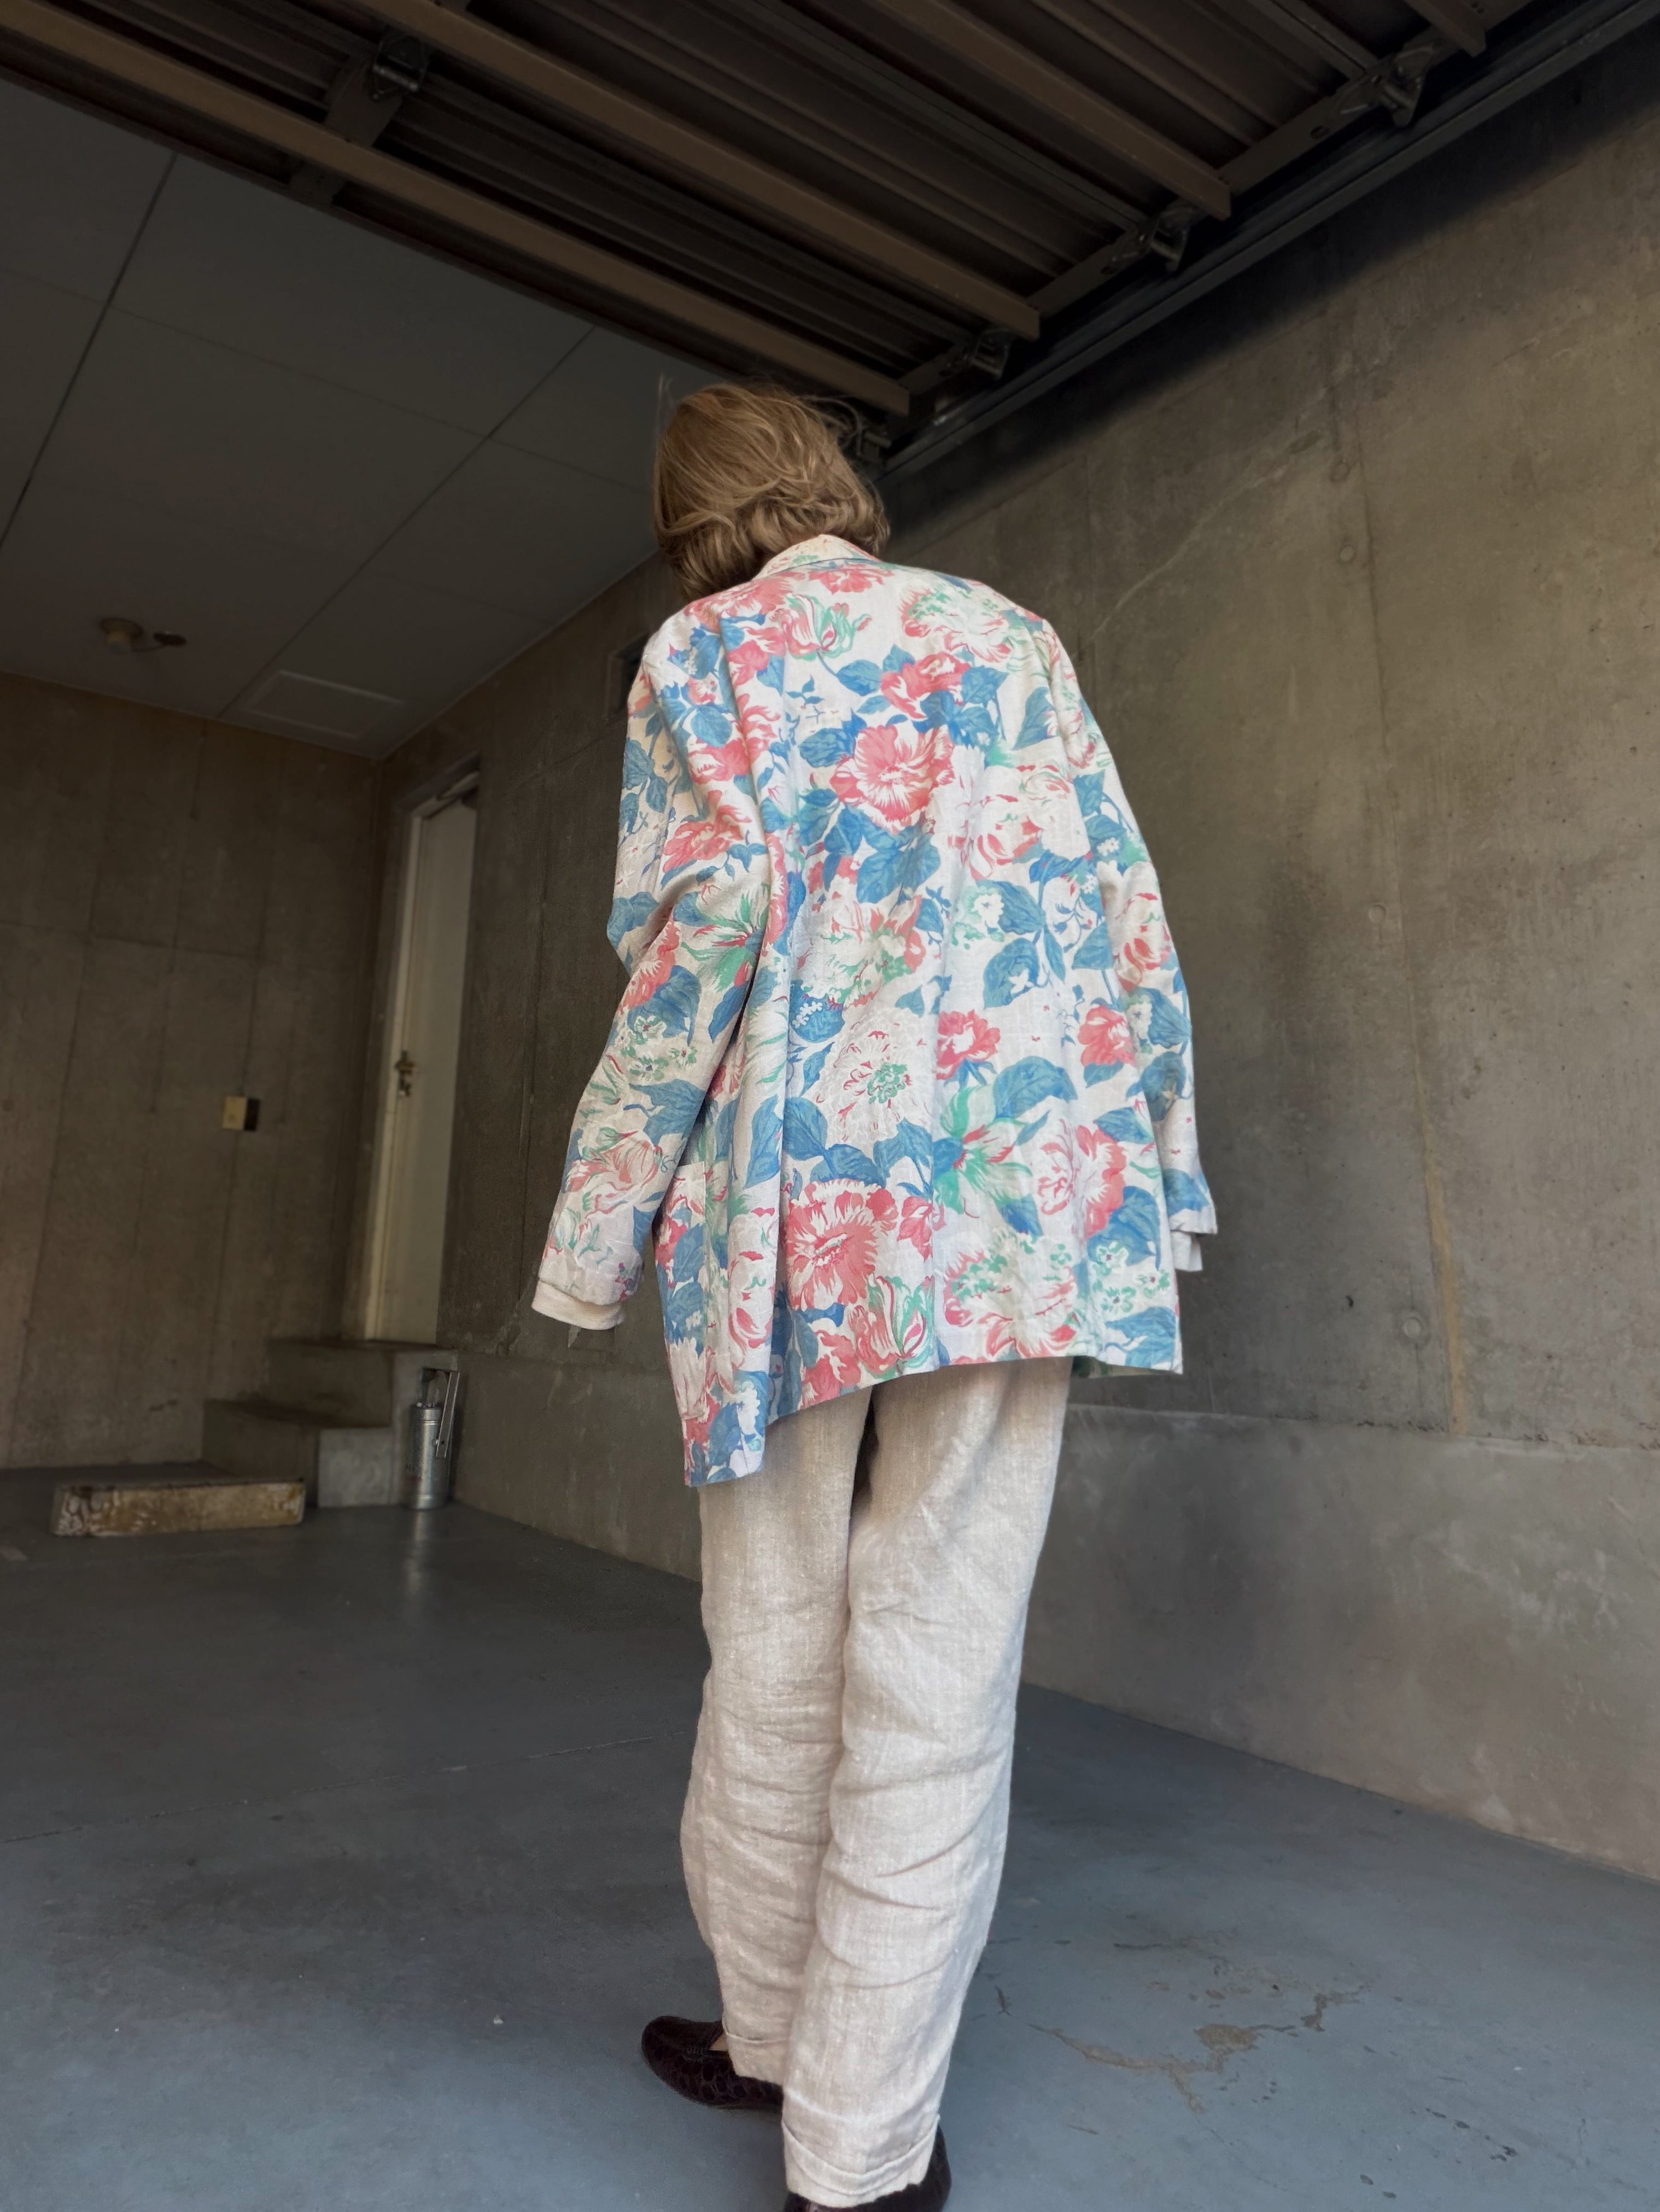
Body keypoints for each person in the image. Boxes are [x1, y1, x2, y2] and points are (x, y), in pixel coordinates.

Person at [532, 384, 1214, 2212]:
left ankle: (777, 2047)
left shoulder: (702, 658)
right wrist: (1160, 1174)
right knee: (938, 1670)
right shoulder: (1008, 637)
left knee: (771, 1652)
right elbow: (1121, 914)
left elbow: (695, 946)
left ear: (688, 524)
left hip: (795, 1220)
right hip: (1019, 1204)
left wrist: (598, 1228)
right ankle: (857, 2149)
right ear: (834, 482)